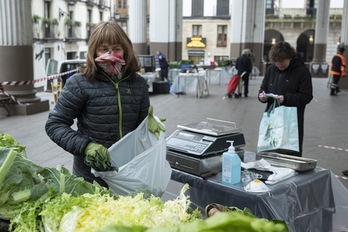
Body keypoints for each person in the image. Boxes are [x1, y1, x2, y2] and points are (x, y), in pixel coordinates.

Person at [45, 21, 164, 187]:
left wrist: (149, 124)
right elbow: (54, 124)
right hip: (89, 177)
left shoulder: (138, 84)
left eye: (116, 48)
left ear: (125, 50)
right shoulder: (79, 83)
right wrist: (85, 146)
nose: (111, 55)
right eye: (103, 49)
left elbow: (139, 131)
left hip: (127, 174)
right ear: (94, 51)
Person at [258, 41, 313, 157]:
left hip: (291, 121)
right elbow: (263, 89)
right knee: (270, 151)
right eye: (276, 62)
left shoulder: (302, 72)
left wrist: (286, 99)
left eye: (282, 61)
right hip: (272, 119)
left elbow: (306, 96)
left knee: (289, 152)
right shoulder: (270, 70)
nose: (279, 65)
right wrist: (262, 97)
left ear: (289, 57)